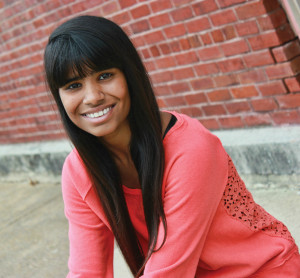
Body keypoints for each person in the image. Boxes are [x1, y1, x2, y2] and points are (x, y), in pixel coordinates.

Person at [44, 15, 300, 278]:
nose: (93, 97)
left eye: (105, 75)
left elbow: (167, 273)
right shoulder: (78, 172)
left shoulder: (190, 148)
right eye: (74, 85)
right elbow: (86, 271)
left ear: (129, 74)